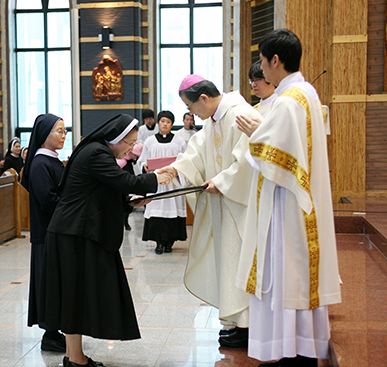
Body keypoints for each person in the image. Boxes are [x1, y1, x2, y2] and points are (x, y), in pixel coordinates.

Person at [235, 29, 341, 367]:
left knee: (284, 274)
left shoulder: (286, 101)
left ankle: (286, 347)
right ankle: (300, 343)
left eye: (263, 63)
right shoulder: (306, 92)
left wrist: (255, 135)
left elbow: (277, 160)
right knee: (294, 274)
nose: (261, 71)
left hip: (286, 207)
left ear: (276, 61)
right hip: (301, 203)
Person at [38, 114, 169, 367]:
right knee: (73, 296)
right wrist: (156, 178)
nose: (131, 148)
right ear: (116, 138)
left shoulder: (97, 151)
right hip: (73, 234)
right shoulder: (97, 153)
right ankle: (74, 358)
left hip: (76, 231)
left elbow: (101, 193)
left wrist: (131, 202)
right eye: (129, 143)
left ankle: (73, 357)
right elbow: (124, 181)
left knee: (74, 296)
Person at [157, 75, 262, 347]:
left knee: (240, 262)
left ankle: (248, 325)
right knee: (227, 262)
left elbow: (250, 160)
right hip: (222, 206)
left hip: (241, 208)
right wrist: (176, 170)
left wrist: (222, 181)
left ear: (204, 98)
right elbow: (196, 155)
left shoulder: (239, 114)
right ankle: (237, 321)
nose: (191, 114)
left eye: (192, 108)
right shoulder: (213, 121)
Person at [20, 114, 67, 353]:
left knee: (55, 282)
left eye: (64, 130)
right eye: (58, 131)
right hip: (47, 233)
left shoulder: (52, 161)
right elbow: (48, 200)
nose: (63, 135)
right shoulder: (40, 163)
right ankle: (50, 334)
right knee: (48, 283)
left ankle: (55, 330)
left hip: (56, 232)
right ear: (44, 134)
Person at [138, 110, 187, 254]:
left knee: (173, 213)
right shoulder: (150, 141)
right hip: (157, 183)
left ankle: (169, 243)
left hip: (173, 183)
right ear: (158, 123)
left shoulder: (179, 141)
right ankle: (159, 243)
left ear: (172, 124)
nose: (165, 124)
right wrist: (144, 166)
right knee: (157, 212)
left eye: (168, 122)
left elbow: (186, 161)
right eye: (162, 121)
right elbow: (142, 160)